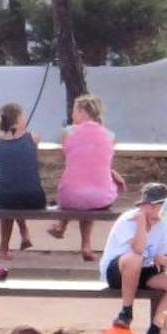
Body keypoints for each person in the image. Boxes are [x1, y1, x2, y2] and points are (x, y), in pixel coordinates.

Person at [101, 181, 167, 334]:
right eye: (153, 206)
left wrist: (161, 259)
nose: (157, 211)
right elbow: (138, 248)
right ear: (143, 206)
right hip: (119, 271)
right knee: (134, 259)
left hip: (145, 268)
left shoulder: (163, 223)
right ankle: (126, 311)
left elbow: (161, 255)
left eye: (161, 206)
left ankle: (155, 332)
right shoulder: (128, 220)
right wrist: (142, 224)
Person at [49, 94, 121, 259]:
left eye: (74, 111)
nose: (72, 115)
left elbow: (70, 158)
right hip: (101, 198)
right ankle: (86, 245)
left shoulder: (68, 132)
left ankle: (62, 225)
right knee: (90, 193)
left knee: (76, 189)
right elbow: (98, 163)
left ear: (82, 111)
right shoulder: (110, 135)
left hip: (71, 197)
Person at [0, 102, 44, 257]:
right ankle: (24, 233)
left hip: (6, 199)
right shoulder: (33, 138)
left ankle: (4, 247)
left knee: (9, 195)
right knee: (19, 190)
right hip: (34, 198)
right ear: (18, 120)